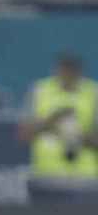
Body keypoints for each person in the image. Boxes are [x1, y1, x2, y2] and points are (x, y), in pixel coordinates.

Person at [19, 54, 98, 195]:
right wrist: (51, 121)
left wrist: (74, 136)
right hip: (46, 177)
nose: (66, 77)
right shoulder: (40, 90)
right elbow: (24, 135)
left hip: (85, 180)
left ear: (79, 73)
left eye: (71, 73)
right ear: (56, 71)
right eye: (63, 72)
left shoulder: (93, 93)